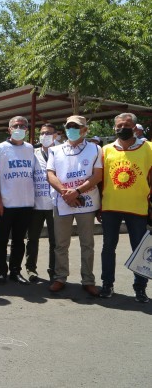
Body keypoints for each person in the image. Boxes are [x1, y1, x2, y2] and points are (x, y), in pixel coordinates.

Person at [46, 116, 102, 296]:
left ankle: (88, 280)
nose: (72, 129)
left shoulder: (95, 149)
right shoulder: (55, 150)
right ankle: (60, 277)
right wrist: (65, 193)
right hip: (63, 201)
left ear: (85, 129)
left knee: (87, 243)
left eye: (76, 127)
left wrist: (76, 192)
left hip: (86, 201)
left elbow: (97, 175)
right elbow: (50, 174)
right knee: (61, 244)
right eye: (69, 126)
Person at [100, 113, 152, 303]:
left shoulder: (149, 149)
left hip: (137, 209)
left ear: (134, 126)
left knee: (139, 250)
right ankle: (107, 284)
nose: (122, 128)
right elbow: (101, 179)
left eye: (127, 124)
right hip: (110, 207)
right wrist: (99, 206)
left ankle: (140, 288)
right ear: (114, 128)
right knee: (108, 247)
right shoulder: (105, 150)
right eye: (119, 125)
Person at [0, 116, 36, 285]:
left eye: (23, 125)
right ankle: (1, 271)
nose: (19, 127)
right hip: (7, 203)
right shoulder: (0, 148)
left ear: (27, 129)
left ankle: (15, 271)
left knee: (19, 241)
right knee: (1, 239)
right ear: (9, 129)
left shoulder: (30, 148)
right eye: (15, 125)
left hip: (25, 203)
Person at [27, 123, 58, 282]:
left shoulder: (61, 152)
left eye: (48, 133)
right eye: (42, 133)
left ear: (55, 135)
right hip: (36, 204)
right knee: (32, 238)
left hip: (55, 204)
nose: (44, 136)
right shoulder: (32, 153)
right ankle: (31, 268)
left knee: (55, 240)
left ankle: (54, 270)